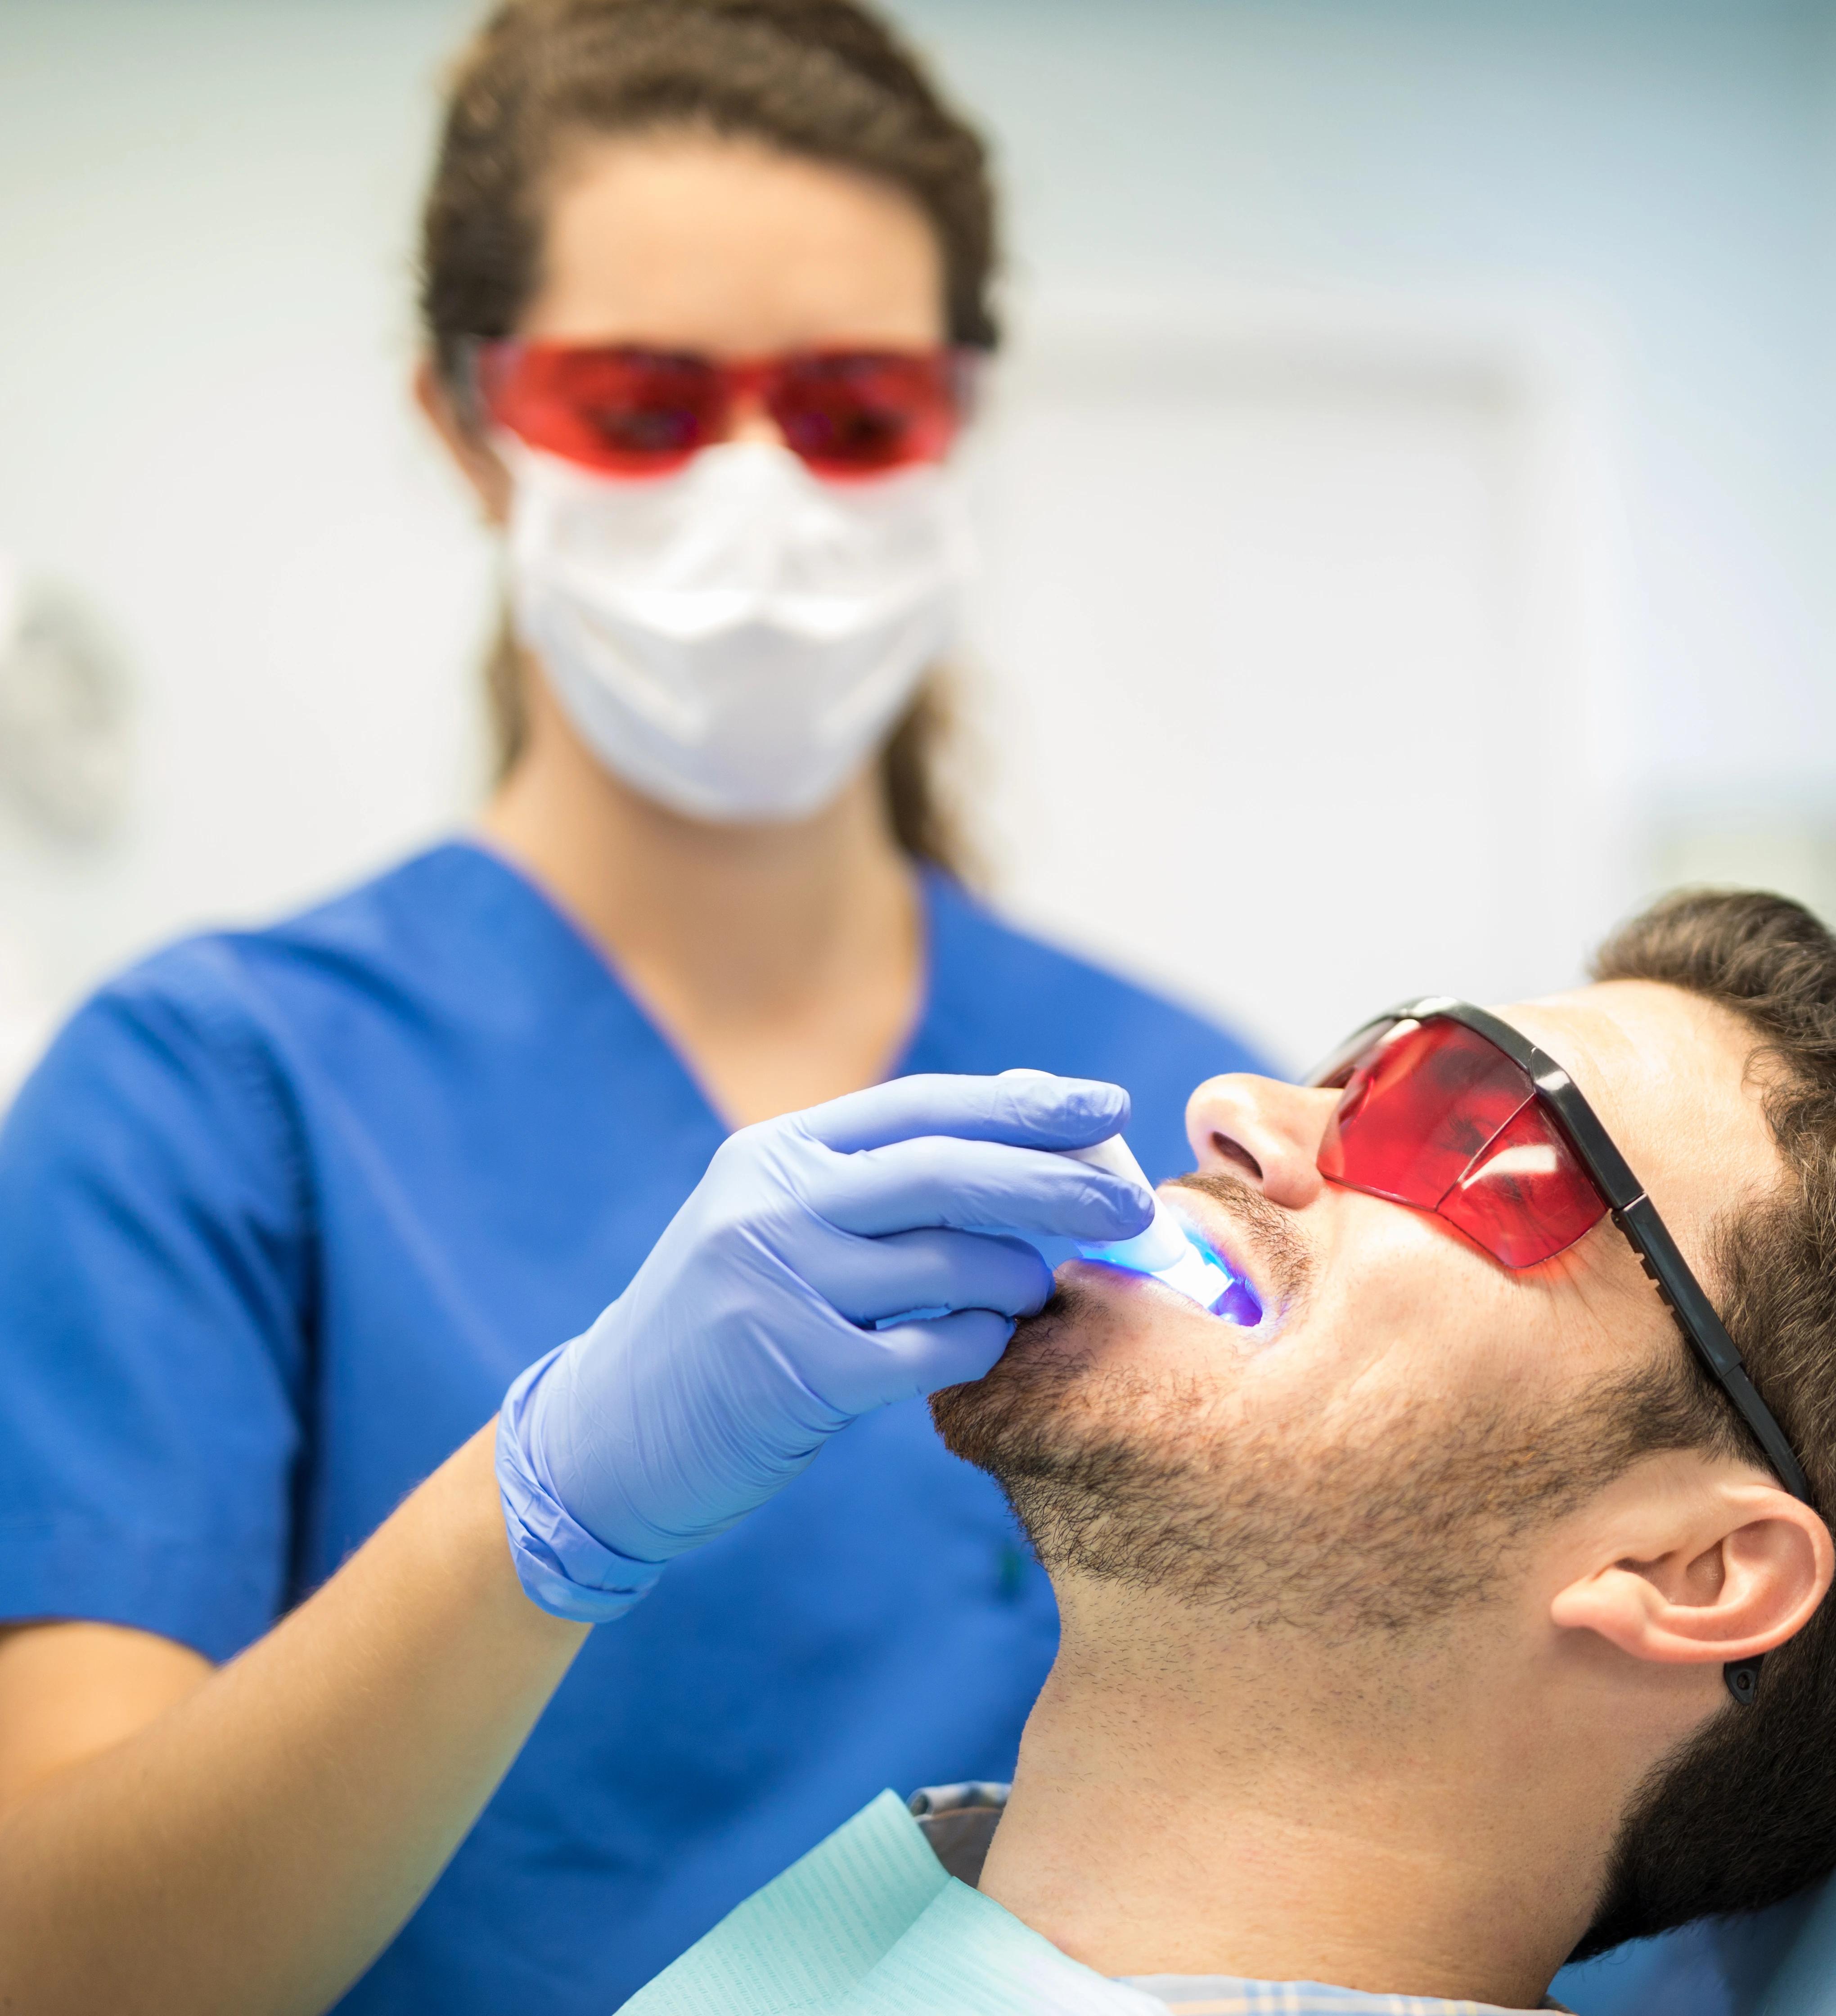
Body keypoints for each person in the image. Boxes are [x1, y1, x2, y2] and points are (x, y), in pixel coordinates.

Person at [0, 5, 1265, 2013]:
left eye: (852, 410)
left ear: (962, 418)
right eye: (644, 407)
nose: (756, 494)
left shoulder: (1180, 1100)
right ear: (462, 420)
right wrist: (543, 1516)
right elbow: (60, 1961)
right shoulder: (209, 1098)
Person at [620, 889, 1836, 2014]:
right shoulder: (915, 1923)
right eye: (1359, 1067)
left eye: (1472, 1128)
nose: (1235, 1110)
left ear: (1688, 1569)